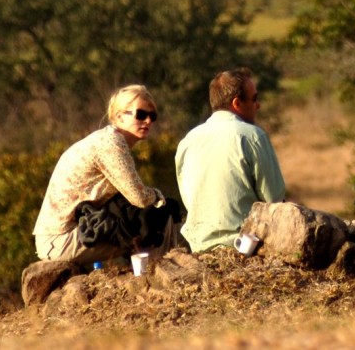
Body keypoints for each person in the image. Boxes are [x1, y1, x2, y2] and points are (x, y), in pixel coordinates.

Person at [32, 85, 179, 268]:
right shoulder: (111, 144)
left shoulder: (107, 139)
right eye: (141, 114)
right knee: (160, 216)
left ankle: (152, 274)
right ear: (119, 116)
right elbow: (139, 197)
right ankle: (163, 280)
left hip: (63, 236)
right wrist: (159, 197)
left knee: (144, 217)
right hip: (60, 240)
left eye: (152, 116)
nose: (148, 121)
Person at [176, 67, 288, 252]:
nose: (258, 105)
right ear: (236, 103)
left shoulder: (187, 141)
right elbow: (274, 201)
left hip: (198, 247)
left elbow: (189, 198)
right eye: (254, 98)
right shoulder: (253, 136)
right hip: (246, 247)